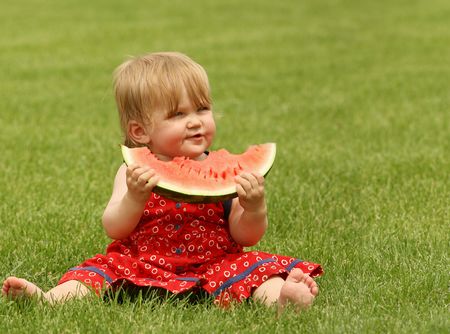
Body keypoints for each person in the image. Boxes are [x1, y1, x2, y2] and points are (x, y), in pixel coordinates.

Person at [2, 52, 322, 312]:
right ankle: (49, 299)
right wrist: (134, 197)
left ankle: (282, 298)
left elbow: (246, 235)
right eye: (177, 114)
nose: (196, 120)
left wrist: (253, 208)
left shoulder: (224, 172)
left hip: (215, 262)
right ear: (140, 131)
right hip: (141, 263)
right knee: (95, 273)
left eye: (202, 108)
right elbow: (114, 227)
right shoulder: (132, 173)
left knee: (255, 271)